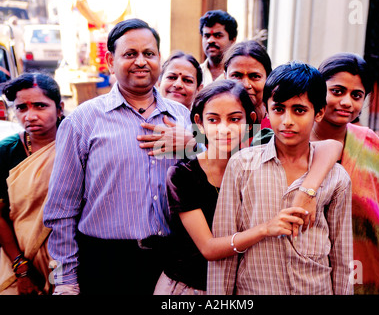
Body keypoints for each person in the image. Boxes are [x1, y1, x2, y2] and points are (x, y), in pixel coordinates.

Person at [42, 19, 192, 295]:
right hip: (106, 263)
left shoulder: (181, 116)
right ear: (111, 61)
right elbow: (61, 209)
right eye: (130, 54)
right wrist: (65, 280)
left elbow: (217, 169)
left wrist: (194, 143)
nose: (141, 62)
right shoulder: (82, 121)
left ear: (160, 58)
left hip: (170, 262)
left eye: (149, 54)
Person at [154, 79, 343, 295]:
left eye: (234, 119)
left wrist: (308, 190)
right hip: (189, 288)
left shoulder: (259, 161)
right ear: (199, 122)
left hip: (241, 288)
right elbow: (209, 248)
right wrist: (265, 229)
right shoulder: (183, 176)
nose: (224, 129)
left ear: (250, 120)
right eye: (213, 120)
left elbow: (332, 145)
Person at [208, 61, 354, 295]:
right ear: (266, 109)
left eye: (299, 110)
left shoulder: (336, 178)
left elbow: (342, 255)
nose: (287, 120)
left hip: (315, 288)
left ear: (318, 113)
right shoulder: (242, 166)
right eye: (278, 109)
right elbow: (226, 245)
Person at [312, 52, 379, 294]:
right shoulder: (292, 142)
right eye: (337, 91)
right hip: (302, 274)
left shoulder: (374, 148)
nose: (347, 102)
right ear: (316, 89)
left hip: (364, 276)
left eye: (356, 95)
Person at [0, 73, 64, 295]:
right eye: (21, 108)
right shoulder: (6, 151)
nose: (30, 116)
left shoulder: (77, 142)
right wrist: (21, 268)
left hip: (73, 257)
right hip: (22, 256)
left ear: (59, 108)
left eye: (40, 106)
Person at [223, 40, 272, 124]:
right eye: (236, 76)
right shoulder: (211, 118)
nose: (245, 85)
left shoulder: (277, 125)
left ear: (268, 78)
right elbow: (199, 136)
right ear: (225, 77)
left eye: (255, 76)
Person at [199, 10, 237, 86]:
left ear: (232, 40)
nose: (210, 40)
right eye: (207, 36)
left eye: (218, 36)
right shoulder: (195, 73)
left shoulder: (238, 75)